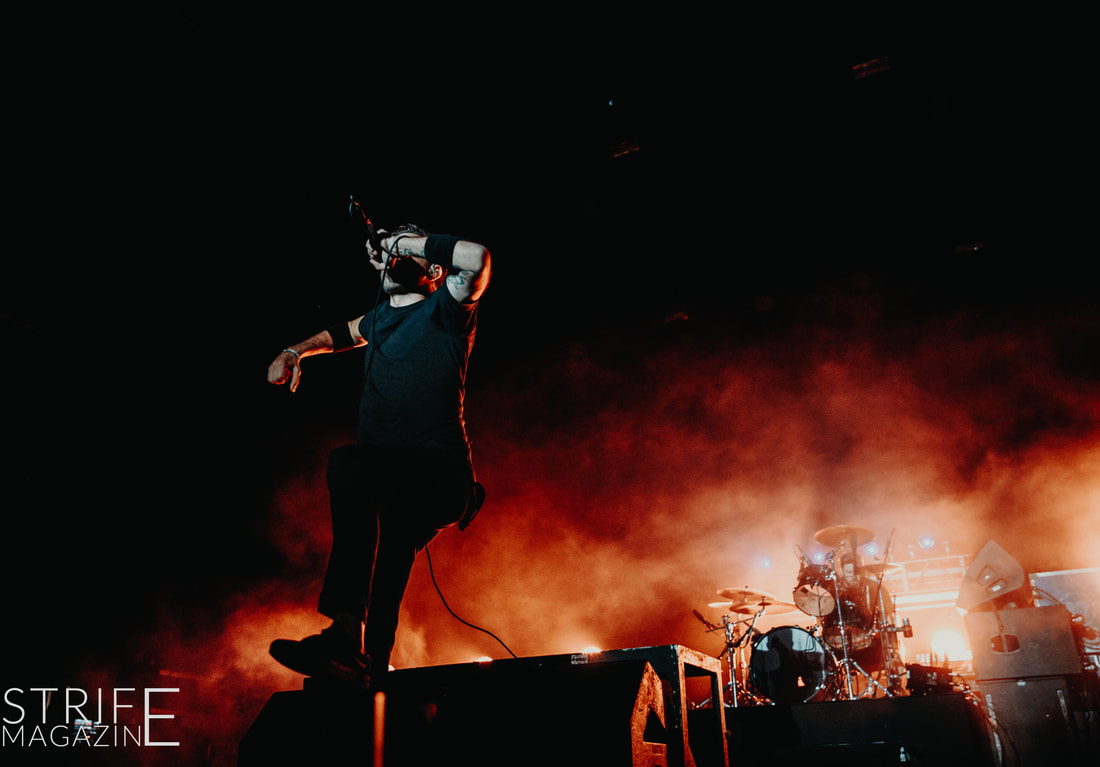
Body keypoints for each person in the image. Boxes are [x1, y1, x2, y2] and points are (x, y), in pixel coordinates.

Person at [265, 223, 491, 689]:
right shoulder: (379, 318)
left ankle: (347, 633)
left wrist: (400, 243)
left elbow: (478, 259)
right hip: (392, 479)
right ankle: (364, 665)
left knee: (348, 465)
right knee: (390, 561)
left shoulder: (446, 308)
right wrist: (295, 351)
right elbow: (343, 333)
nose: (392, 253)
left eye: (405, 247)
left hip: (440, 477)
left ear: (434, 271)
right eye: (388, 250)